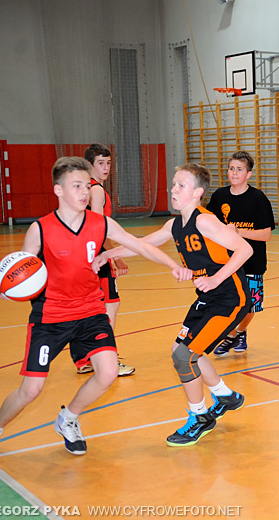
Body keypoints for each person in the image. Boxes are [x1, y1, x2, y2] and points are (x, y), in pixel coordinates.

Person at [0, 157, 192, 462]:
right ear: (58, 190)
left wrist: (173, 264)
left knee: (108, 372)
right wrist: (4, 285)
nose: (84, 192)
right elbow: (23, 271)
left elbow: (141, 245)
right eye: (76, 186)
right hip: (51, 317)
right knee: (31, 390)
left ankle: (69, 418)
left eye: (86, 186)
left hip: (91, 310)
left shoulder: (100, 223)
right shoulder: (40, 229)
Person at [96, 163, 252, 446]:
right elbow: (142, 244)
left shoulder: (205, 221)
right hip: (207, 298)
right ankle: (225, 395)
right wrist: (107, 255)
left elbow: (245, 249)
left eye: (181, 185)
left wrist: (215, 278)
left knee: (184, 356)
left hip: (230, 298)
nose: (173, 189)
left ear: (198, 193)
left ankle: (200, 417)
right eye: (173, 184)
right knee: (181, 349)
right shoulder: (175, 225)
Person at [206, 150, 275, 356]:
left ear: (249, 174)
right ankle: (229, 336)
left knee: (251, 306)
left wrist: (238, 232)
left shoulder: (258, 198)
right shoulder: (219, 196)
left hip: (252, 262)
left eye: (240, 169)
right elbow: (208, 224)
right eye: (231, 168)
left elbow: (266, 234)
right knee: (228, 303)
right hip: (225, 261)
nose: (234, 173)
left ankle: (241, 332)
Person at [77, 143, 135, 376]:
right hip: (97, 257)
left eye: (109, 163)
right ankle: (107, 360)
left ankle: (86, 359)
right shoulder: (97, 190)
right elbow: (98, 229)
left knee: (91, 308)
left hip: (84, 256)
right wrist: (116, 256)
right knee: (109, 306)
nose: (106, 167)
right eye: (100, 163)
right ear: (89, 165)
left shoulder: (83, 188)